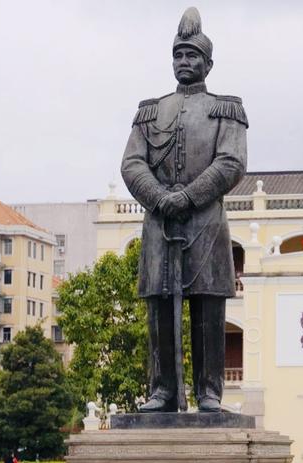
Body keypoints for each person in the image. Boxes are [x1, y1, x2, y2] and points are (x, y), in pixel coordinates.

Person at [121, 6, 248, 413]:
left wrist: (188, 197)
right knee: (159, 307)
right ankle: (163, 390)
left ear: (209, 63)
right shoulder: (150, 111)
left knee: (208, 308)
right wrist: (160, 198)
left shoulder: (225, 109)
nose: (184, 62)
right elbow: (132, 163)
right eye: (178, 55)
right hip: (159, 222)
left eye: (192, 56)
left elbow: (231, 163)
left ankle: (209, 393)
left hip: (206, 221)